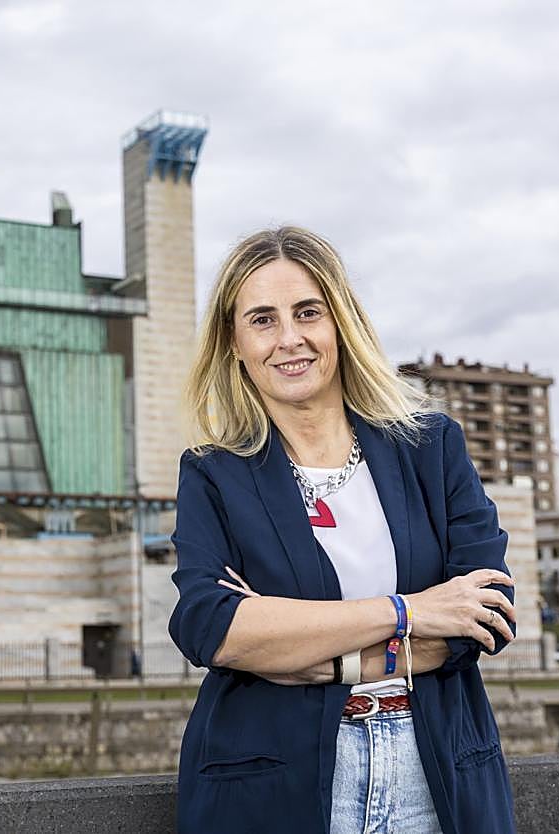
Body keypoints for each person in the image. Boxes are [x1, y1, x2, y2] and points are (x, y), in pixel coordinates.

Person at [170, 227, 517, 834]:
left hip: (432, 776)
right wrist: (410, 611)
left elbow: (485, 614)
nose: (289, 339)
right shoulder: (213, 474)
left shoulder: (431, 448)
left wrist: (310, 649)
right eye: (262, 320)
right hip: (271, 782)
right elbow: (214, 628)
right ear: (235, 344)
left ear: (341, 323)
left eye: (308, 312)